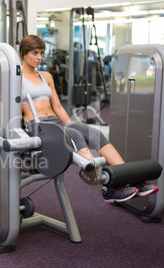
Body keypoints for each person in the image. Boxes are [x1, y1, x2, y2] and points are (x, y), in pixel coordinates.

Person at [19, 34, 159, 204]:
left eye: (41, 53)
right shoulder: (17, 79)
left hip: (56, 123)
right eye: (35, 53)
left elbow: (57, 106)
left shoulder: (46, 76)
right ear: (24, 53)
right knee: (76, 137)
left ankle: (131, 179)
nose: (39, 57)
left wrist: (71, 126)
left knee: (94, 133)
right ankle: (107, 189)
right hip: (37, 126)